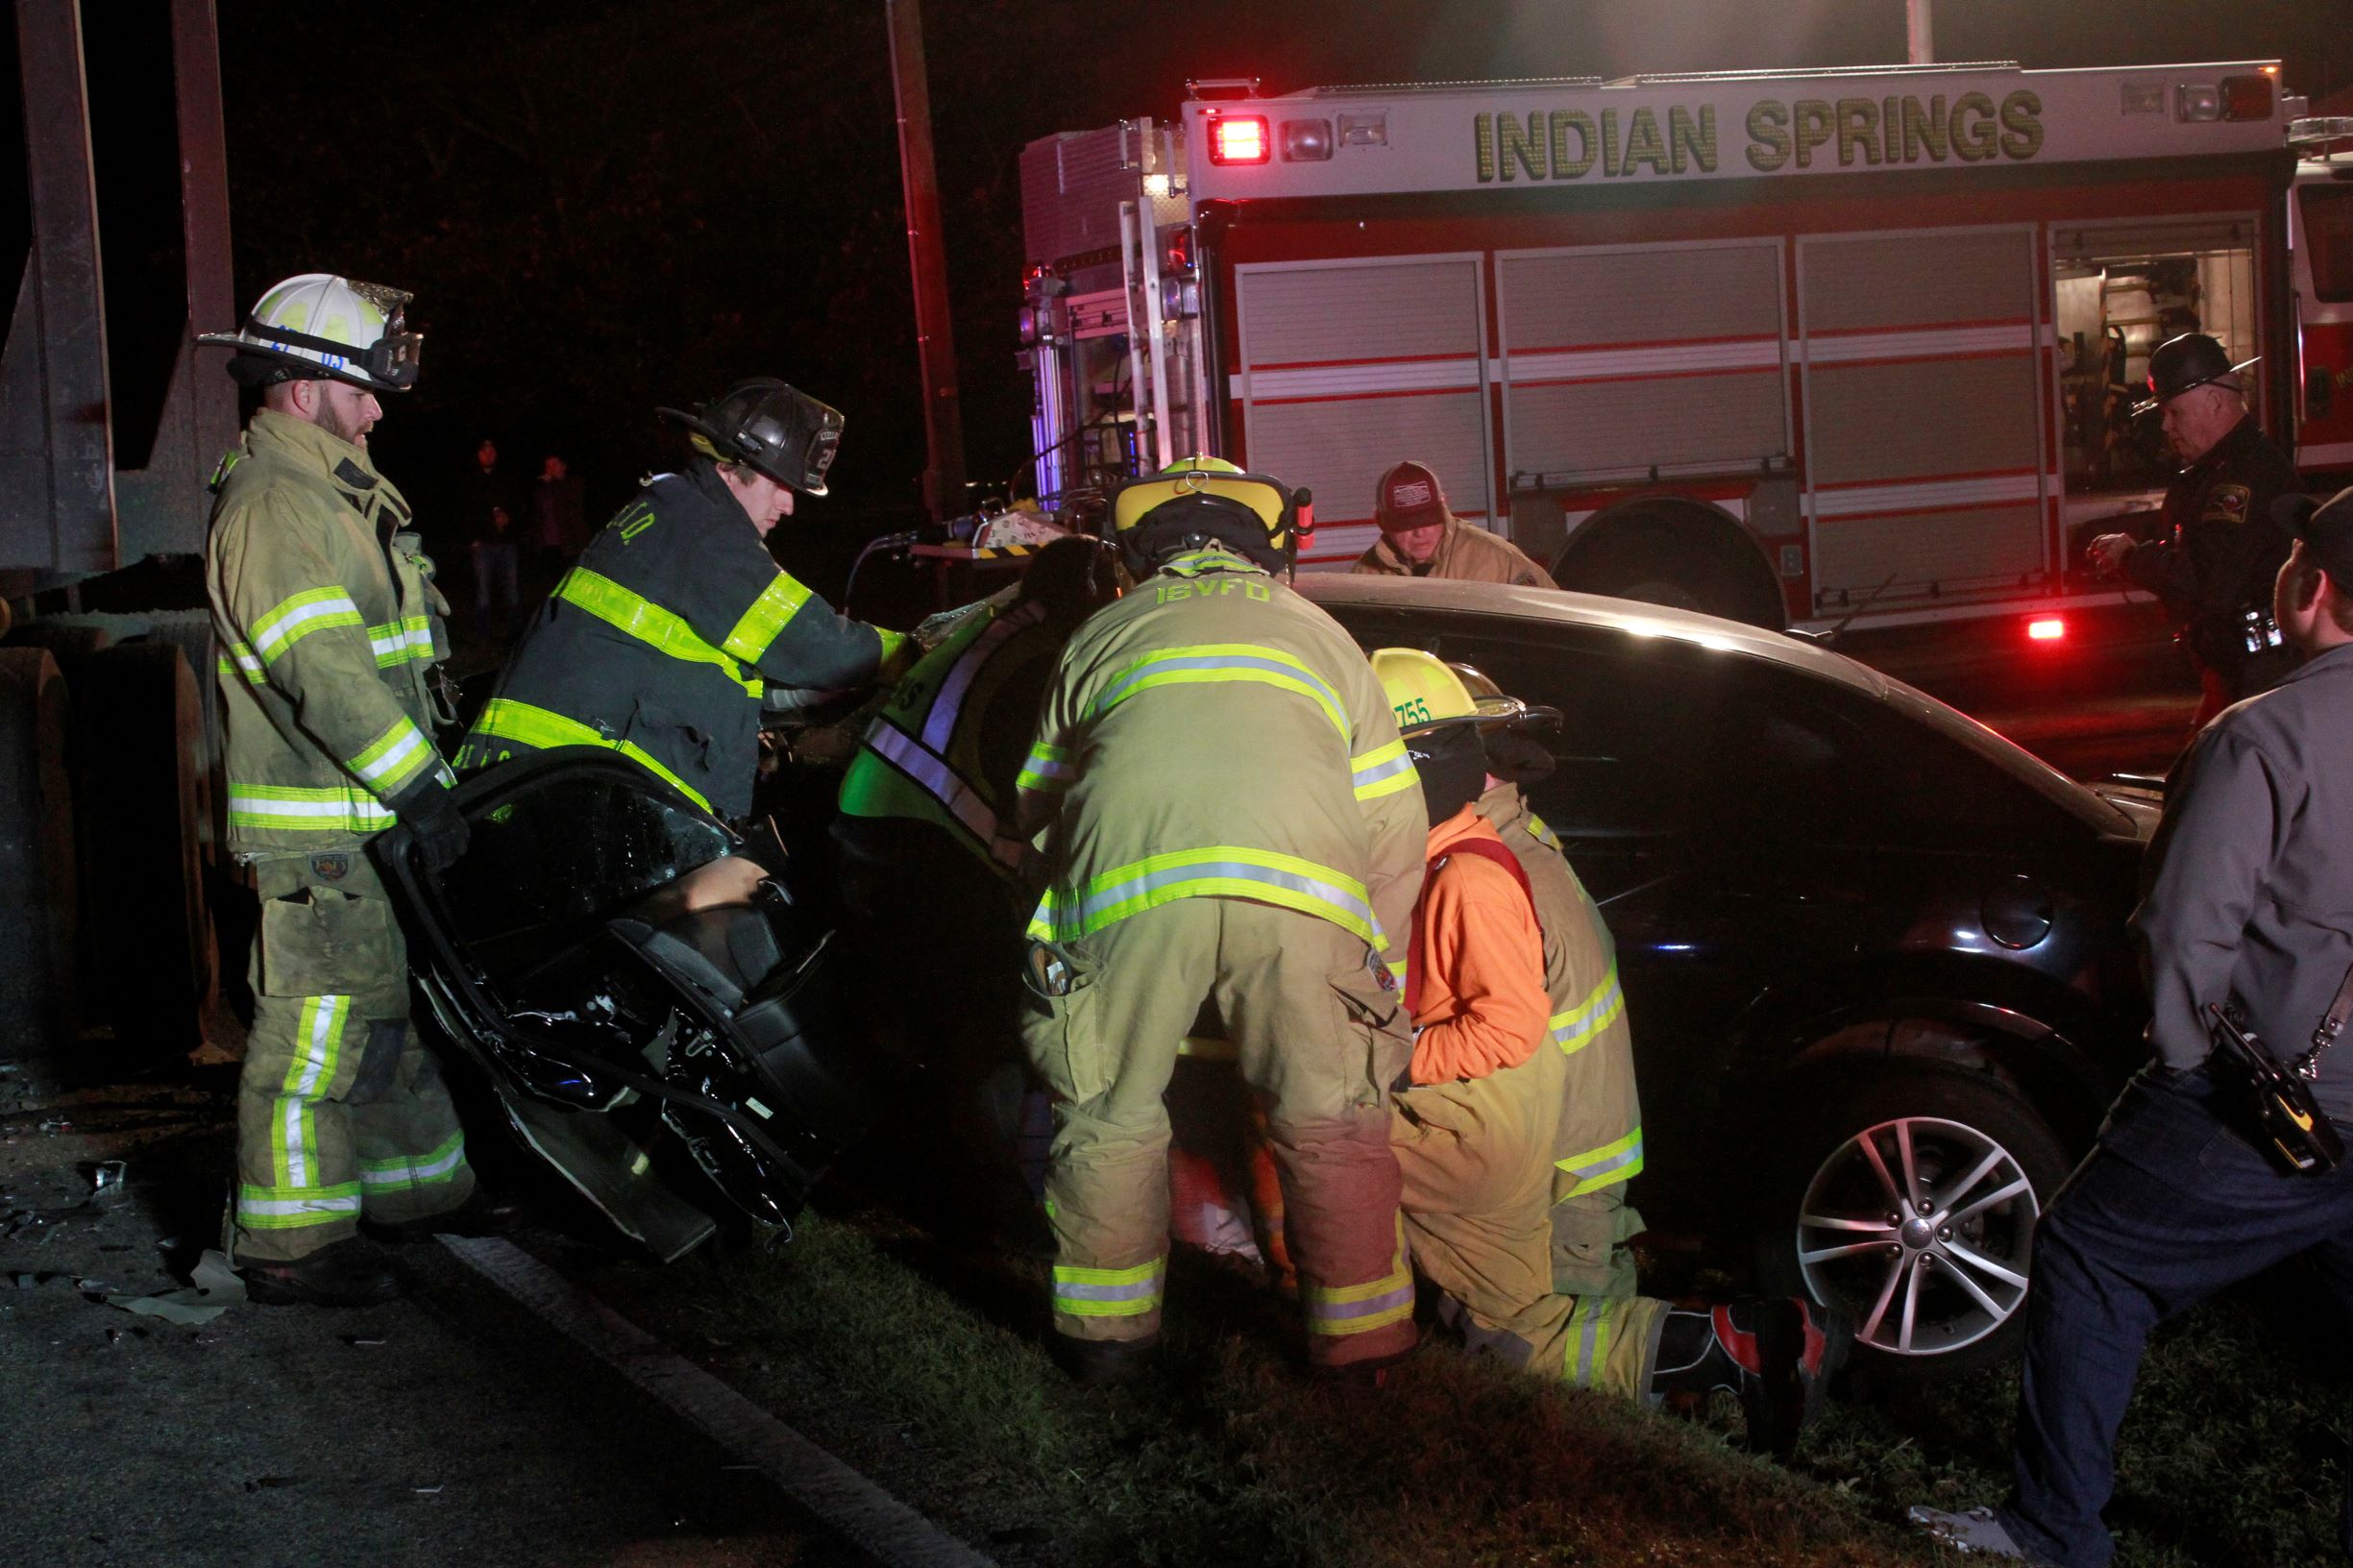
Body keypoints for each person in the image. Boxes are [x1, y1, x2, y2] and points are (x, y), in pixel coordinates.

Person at [1913, 486, 2353, 1563]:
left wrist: (2190, 1070)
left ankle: (2054, 1530)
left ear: (2315, 586)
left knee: (2092, 1256)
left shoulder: (2265, 737)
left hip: (2273, 1104)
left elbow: (2182, 934)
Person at [1371, 649, 1847, 1455]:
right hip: (1575, 1155)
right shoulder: (1517, 845)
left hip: (1558, 1165)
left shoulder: (1479, 873)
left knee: (1535, 1354)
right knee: (1592, 1375)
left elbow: (1505, 1032)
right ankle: (1701, 1419)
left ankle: (1755, 1348)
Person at [1016, 455, 1426, 1384]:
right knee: (1331, 1122)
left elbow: (1039, 807)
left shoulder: (1100, 636)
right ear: (1266, 553)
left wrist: (1081, 928)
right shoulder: (1325, 637)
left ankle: (1106, 1351)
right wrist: (1368, 963)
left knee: (1111, 1111)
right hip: (1304, 900)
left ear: (1138, 558)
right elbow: (1396, 827)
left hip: (1128, 892)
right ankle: (1364, 1359)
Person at [197, 273, 516, 1308]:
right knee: (313, 1041)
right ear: (302, 391)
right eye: (362, 391)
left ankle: (421, 1197)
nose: (378, 410)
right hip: (326, 836)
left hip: (366, 825)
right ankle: (292, 1244)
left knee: (384, 1024)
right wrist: (423, 788)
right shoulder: (278, 505)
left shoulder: (332, 496)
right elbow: (323, 675)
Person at [831, 535, 1122, 1237]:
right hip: (922, 848)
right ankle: (992, 1210)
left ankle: (956, 1176)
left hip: (879, 829)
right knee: (986, 1025)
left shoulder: (1000, 631)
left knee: (937, 1025)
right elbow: (1032, 801)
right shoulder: (1038, 662)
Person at [456, 380, 907, 821]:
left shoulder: (676, 511)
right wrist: (919, 649)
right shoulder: (705, 531)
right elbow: (821, 646)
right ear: (734, 467)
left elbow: (693, 663)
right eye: (782, 486)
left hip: (535, 779)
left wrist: (796, 694)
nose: (789, 506)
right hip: (557, 791)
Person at [2085, 333, 2299, 728]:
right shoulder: (2224, 468)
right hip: (2237, 669)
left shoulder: (2244, 477)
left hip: (2258, 676)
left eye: (2175, 412)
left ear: (2215, 401)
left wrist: (2134, 558)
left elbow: (2210, 578)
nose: (2166, 425)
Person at [1350, 459, 1549, 585]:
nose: (1420, 532)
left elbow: (1551, 620)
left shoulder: (1500, 561)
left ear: (1444, 507)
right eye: (1406, 525)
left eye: (1428, 519)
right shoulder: (1364, 578)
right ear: (1381, 522)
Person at [464, 437, 524, 641]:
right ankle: (483, 634)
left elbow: (519, 505)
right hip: (483, 544)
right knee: (483, 591)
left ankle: (516, 633)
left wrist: (509, 519)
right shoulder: (471, 480)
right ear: (478, 454)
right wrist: (475, 537)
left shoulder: (507, 478)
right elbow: (465, 512)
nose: (488, 454)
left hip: (506, 543)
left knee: (511, 589)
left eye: (491, 451)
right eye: (484, 451)